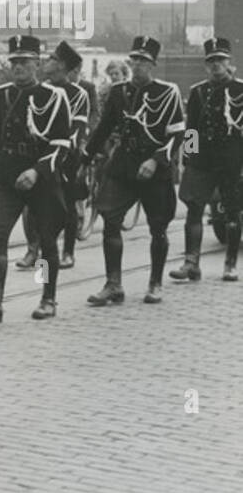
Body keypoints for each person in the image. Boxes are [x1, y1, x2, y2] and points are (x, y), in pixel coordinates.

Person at [0, 35, 72, 322]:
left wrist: (37, 171)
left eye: (24, 62)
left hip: (41, 177)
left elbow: (62, 144)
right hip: (5, 176)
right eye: (14, 61)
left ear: (37, 64)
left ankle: (47, 297)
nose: (18, 67)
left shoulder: (54, 97)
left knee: (46, 241)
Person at [83, 36, 185, 306]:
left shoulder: (168, 92)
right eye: (135, 60)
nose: (138, 65)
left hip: (155, 170)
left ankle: (155, 283)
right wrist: (85, 156)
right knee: (110, 220)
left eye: (143, 61)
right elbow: (103, 129)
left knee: (158, 227)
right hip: (124, 167)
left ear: (153, 64)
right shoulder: (118, 92)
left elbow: (179, 135)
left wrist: (156, 160)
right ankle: (113, 284)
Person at [169, 36, 243, 282]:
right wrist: (189, 158)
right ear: (205, 64)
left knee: (232, 212)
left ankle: (230, 264)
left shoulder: (240, 90)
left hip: (232, 161)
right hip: (203, 162)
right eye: (211, 61)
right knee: (194, 209)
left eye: (220, 60)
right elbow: (191, 129)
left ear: (229, 62)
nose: (215, 65)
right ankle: (192, 263)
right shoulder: (198, 92)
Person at [46, 41, 92, 269]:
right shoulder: (43, 89)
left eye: (52, 58)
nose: (47, 62)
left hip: (66, 159)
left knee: (68, 205)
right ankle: (39, 254)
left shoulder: (78, 94)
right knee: (41, 210)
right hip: (42, 160)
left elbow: (79, 129)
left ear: (62, 65)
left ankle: (68, 252)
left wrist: (191, 154)